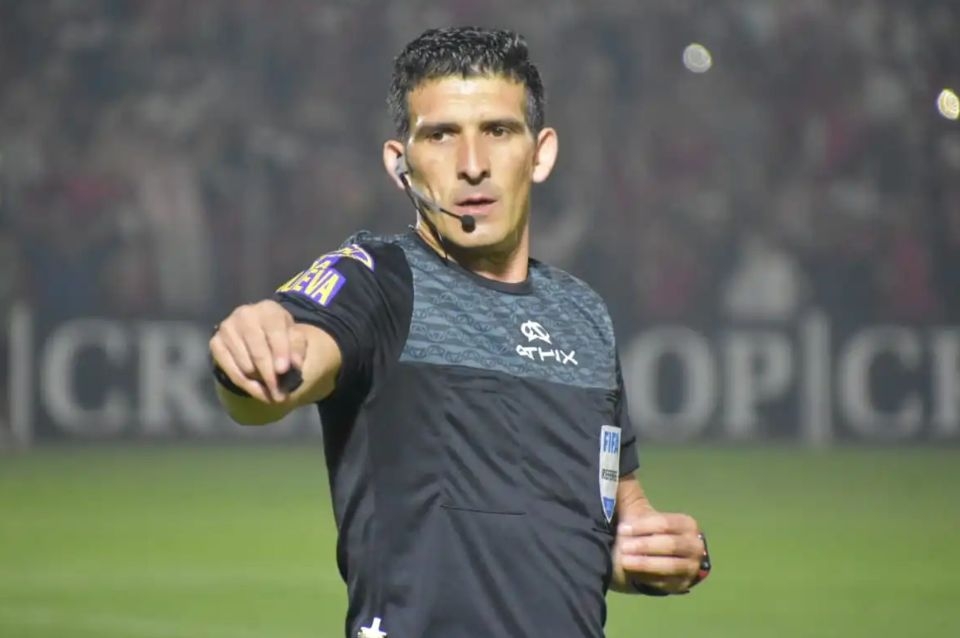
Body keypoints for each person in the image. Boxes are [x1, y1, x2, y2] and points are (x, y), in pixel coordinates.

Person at [209, 26, 710, 638]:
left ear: (541, 153)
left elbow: (610, 519)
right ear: (400, 164)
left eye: (498, 131)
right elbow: (269, 386)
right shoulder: (379, 281)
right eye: (441, 135)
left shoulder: (583, 316)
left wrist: (660, 551)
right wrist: (253, 348)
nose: (473, 166)